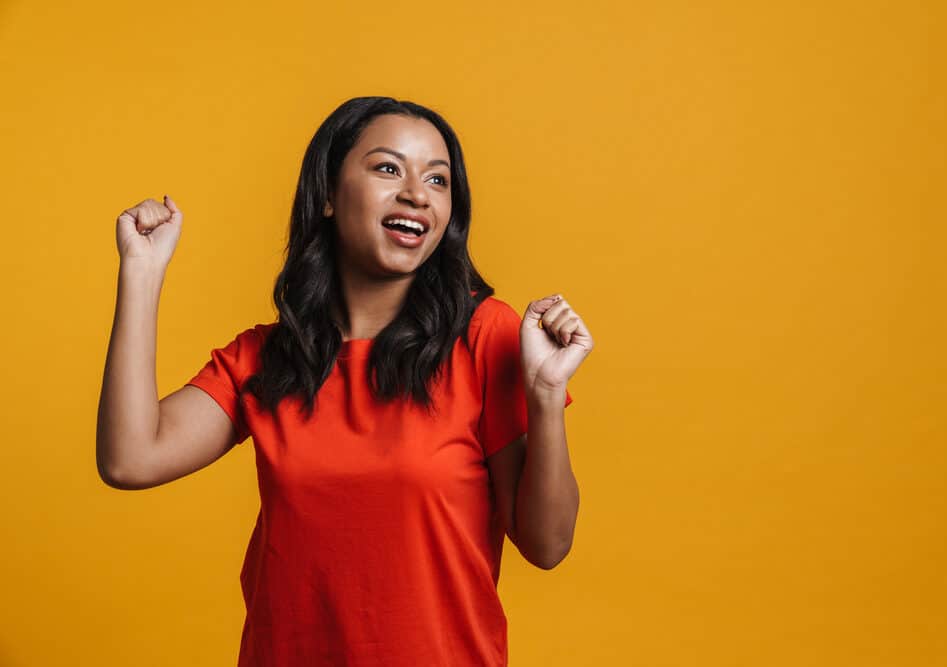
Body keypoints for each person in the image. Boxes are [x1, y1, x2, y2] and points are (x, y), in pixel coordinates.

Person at [96, 96, 594, 666]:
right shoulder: (267, 358)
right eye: (388, 168)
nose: (417, 193)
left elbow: (548, 545)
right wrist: (141, 272)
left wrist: (547, 396)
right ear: (328, 195)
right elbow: (130, 460)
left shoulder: (486, 335)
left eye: (439, 179)